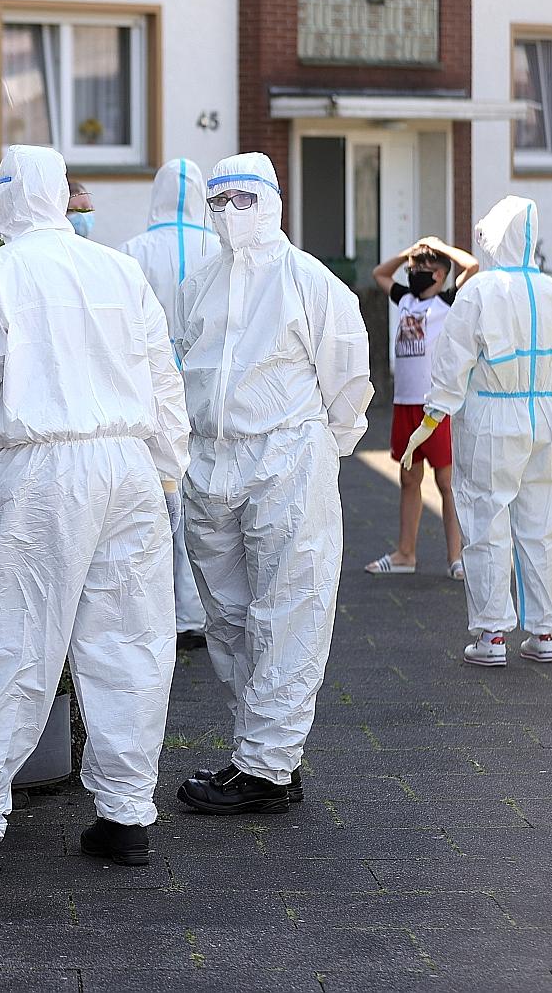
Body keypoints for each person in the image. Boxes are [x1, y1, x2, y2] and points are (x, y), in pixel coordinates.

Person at [0, 145, 189, 874]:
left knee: (8, 638)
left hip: (40, 474)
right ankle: (125, 817)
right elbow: (163, 378)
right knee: (128, 647)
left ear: (6, 200)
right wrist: (170, 475)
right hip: (127, 467)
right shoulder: (120, 270)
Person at [174, 152, 372, 816]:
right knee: (228, 618)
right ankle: (265, 752)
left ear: (274, 201)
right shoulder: (200, 281)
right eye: (219, 201)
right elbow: (181, 368)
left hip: (287, 458)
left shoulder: (309, 282)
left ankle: (265, 767)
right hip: (212, 463)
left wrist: (322, 451)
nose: (231, 214)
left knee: (288, 612)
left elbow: (347, 379)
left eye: (245, 200)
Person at [401, 196, 552, 668]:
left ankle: (491, 635)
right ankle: (544, 631)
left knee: (486, 521)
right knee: (542, 526)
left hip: (492, 418)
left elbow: (453, 361)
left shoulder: (480, 293)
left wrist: (431, 418)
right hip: (545, 415)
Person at [119, 158, 220, 644]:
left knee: (158, 499)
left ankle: (159, 609)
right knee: (208, 498)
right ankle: (201, 609)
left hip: (151, 392)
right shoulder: (218, 248)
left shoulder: (132, 253)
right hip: (208, 391)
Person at [364, 237, 477, 580]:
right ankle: (405, 553)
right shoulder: (406, 299)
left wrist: (439, 247)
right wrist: (409, 252)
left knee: (446, 481)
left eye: (426, 271)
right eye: (414, 270)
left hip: (435, 405)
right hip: (405, 404)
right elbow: (379, 274)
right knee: (409, 478)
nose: (416, 275)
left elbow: (471, 266)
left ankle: (456, 557)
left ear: (441, 276)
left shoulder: (447, 301)